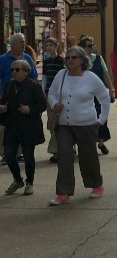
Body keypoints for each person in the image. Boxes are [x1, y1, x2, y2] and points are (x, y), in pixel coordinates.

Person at [47, 44, 111, 205]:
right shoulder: (61, 75)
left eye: (74, 57)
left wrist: (101, 120)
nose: (70, 60)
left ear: (82, 60)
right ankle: (63, 192)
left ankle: (96, 185)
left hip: (86, 124)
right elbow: (52, 93)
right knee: (64, 157)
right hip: (64, 124)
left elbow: (104, 98)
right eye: (68, 57)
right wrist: (54, 104)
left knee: (88, 157)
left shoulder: (91, 78)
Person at [0, 59, 46, 196]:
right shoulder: (9, 85)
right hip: (12, 126)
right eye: (12, 70)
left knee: (28, 157)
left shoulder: (34, 86)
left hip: (28, 127)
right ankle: (17, 179)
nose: (14, 72)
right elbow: (4, 102)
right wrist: (2, 107)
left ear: (26, 72)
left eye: (17, 70)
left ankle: (29, 183)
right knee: (8, 155)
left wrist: (29, 109)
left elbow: (42, 105)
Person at [0, 33, 38, 166]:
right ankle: (6, 153)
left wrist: (33, 94)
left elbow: (33, 76)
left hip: (24, 96)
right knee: (6, 126)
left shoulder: (27, 58)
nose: (24, 44)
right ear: (13, 44)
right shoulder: (3, 59)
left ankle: (20, 153)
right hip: (6, 96)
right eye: (21, 42)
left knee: (22, 124)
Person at [79, 36, 115, 155]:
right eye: (89, 46)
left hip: (99, 94)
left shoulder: (99, 59)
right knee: (86, 120)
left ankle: (101, 143)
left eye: (92, 45)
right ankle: (86, 143)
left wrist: (111, 90)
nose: (92, 47)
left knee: (101, 118)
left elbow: (105, 75)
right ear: (82, 48)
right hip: (84, 95)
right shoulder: (79, 60)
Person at [42, 38, 65, 162]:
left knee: (61, 123)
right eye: (47, 46)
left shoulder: (62, 61)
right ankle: (58, 148)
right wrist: (43, 91)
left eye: (51, 45)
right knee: (52, 123)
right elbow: (44, 77)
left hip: (60, 95)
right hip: (49, 95)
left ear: (56, 46)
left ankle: (58, 150)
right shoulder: (46, 62)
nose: (48, 48)